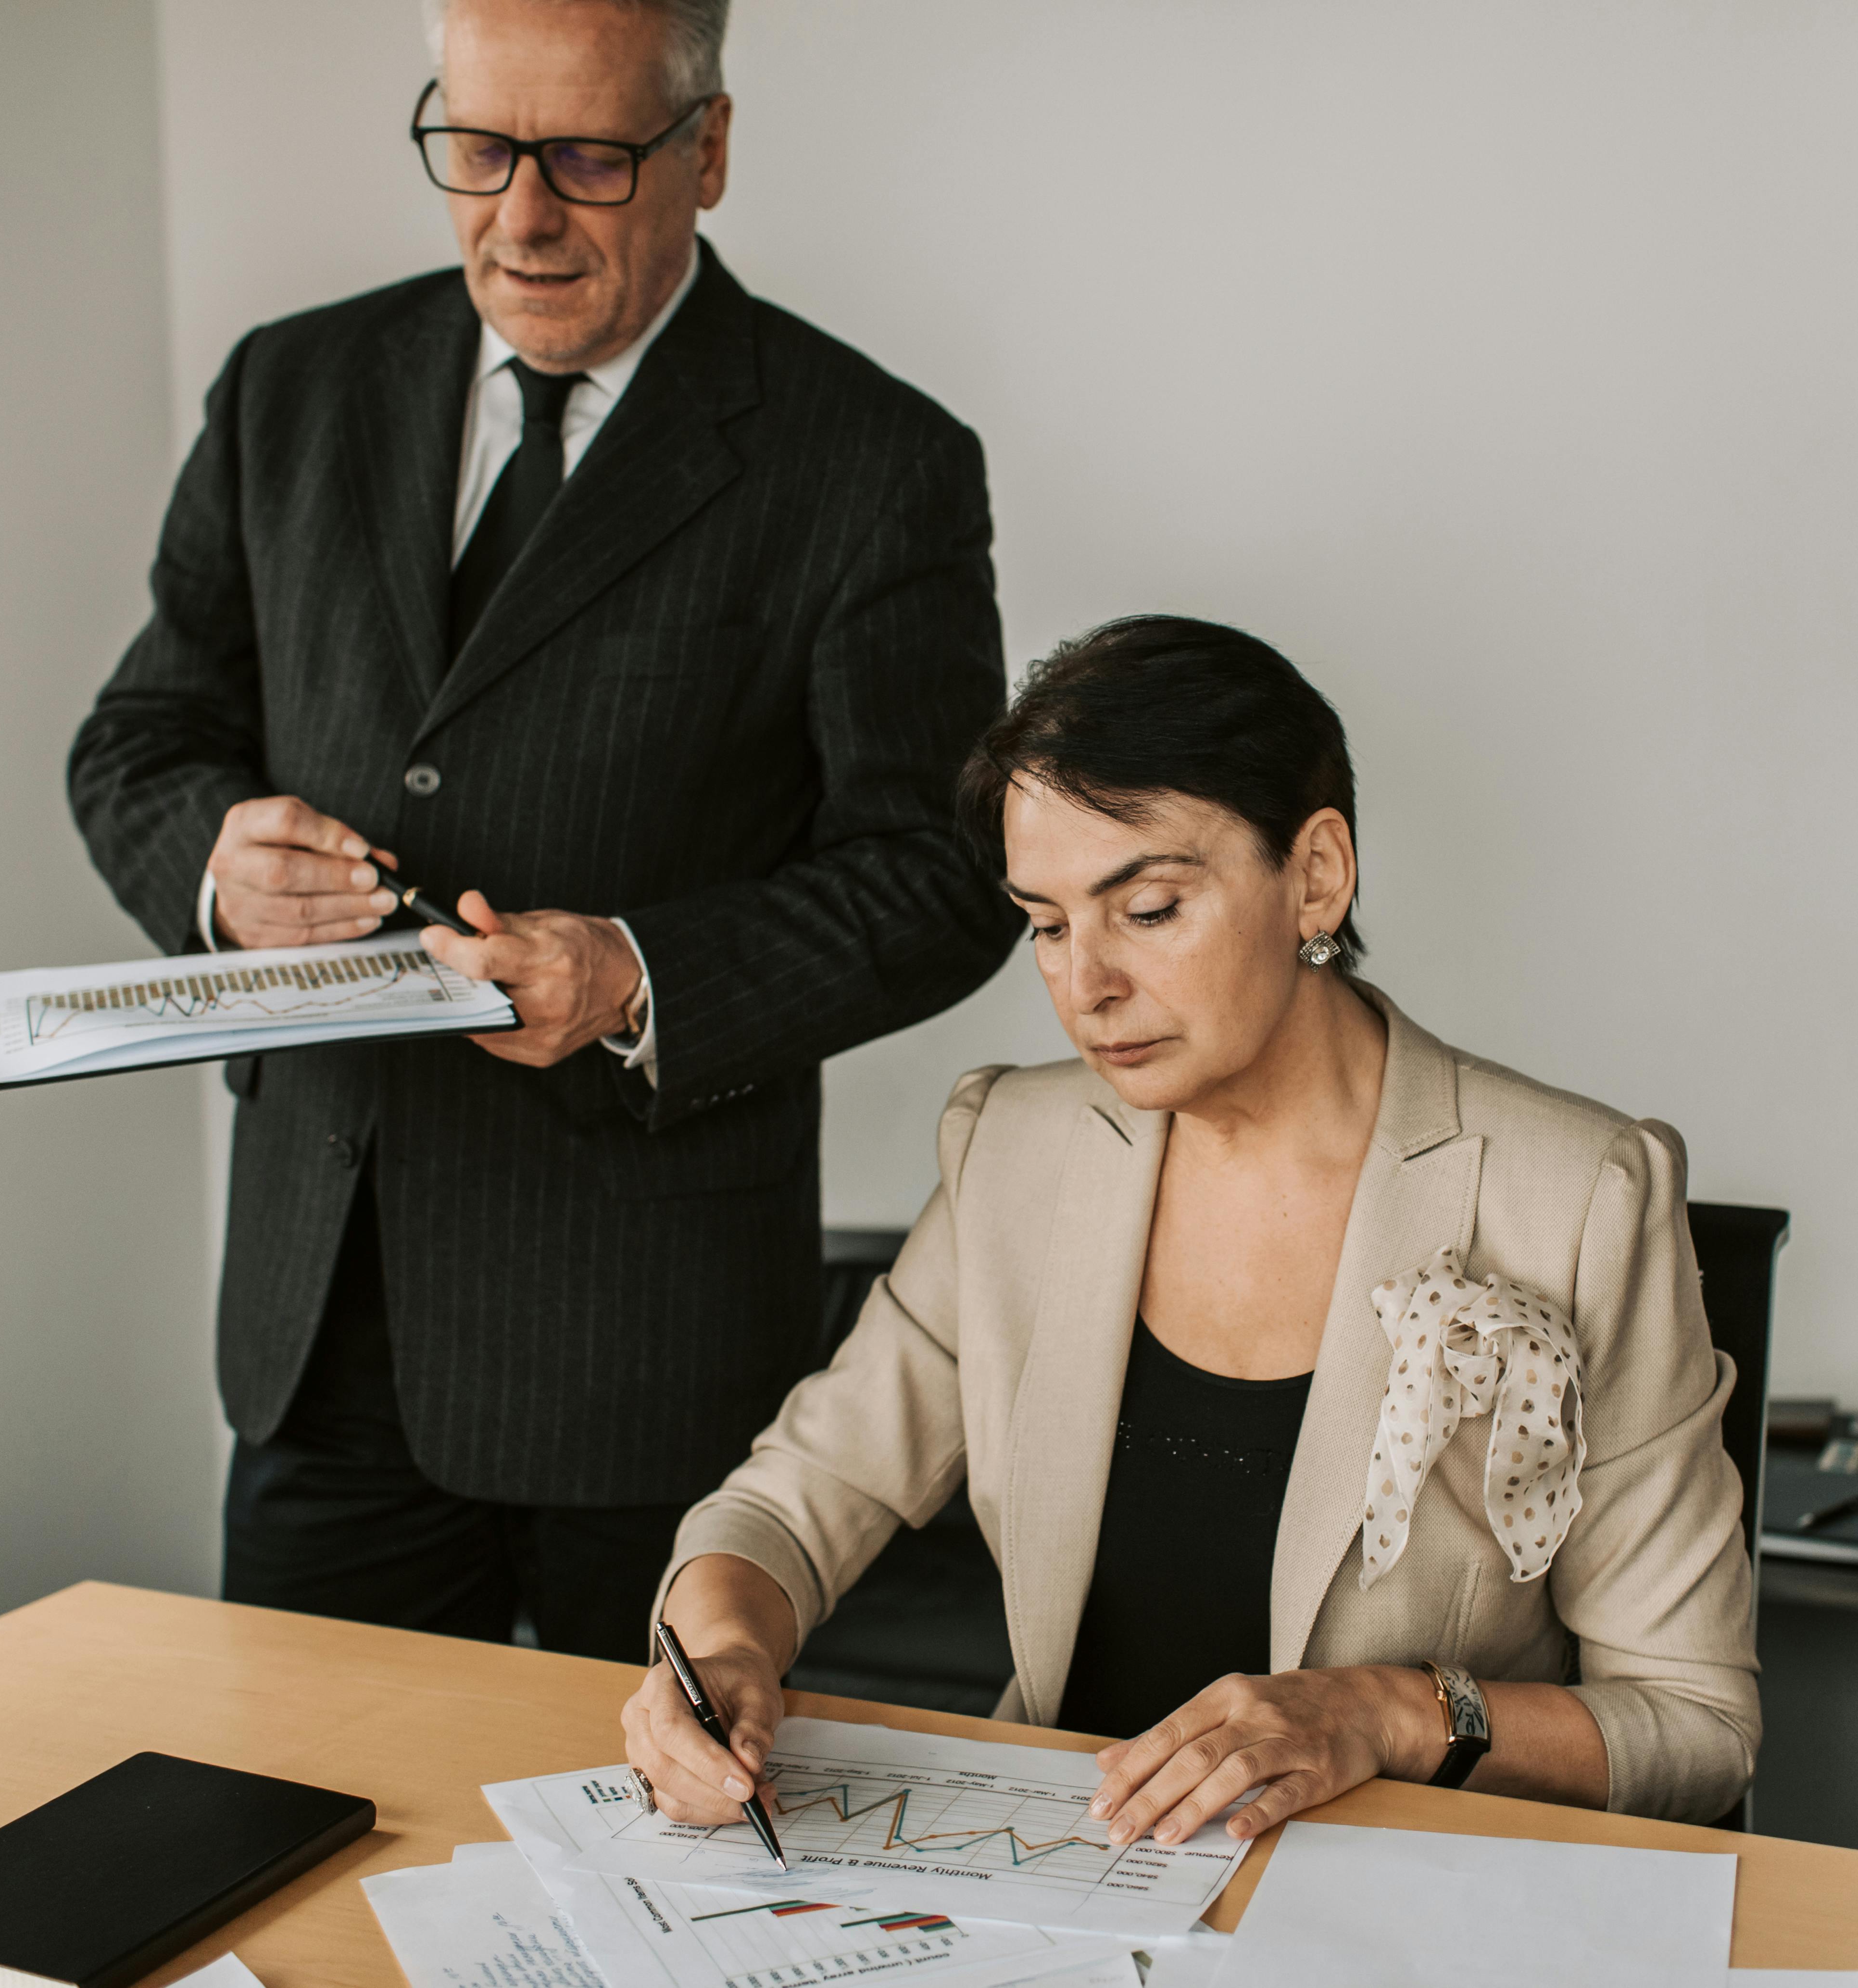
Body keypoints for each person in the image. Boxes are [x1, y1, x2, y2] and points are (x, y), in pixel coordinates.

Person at [66, 0, 1016, 1658]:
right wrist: (218, 861)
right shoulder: (289, 388)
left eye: (585, 157)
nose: (518, 217)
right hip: (319, 1328)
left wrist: (639, 972)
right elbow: (143, 736)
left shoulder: (875, 461)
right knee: (289, 1834)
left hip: (643, 1356)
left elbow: (942, 874)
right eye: (477, 147)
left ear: (706, 150)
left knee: (651, 1879)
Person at [620, 616, 1760, 1837]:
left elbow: (1695, 1726)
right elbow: (796, 1498)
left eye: (1149, 908)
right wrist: (724, 1643)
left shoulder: (1576, 1193)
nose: (1085, 985)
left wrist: (1380, 1712)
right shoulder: (1012, 1144)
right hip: (1056, 1876)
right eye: (1047, 926)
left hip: (1394, 1901)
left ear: (1315, 874)